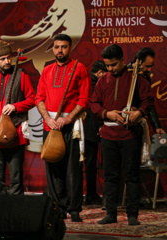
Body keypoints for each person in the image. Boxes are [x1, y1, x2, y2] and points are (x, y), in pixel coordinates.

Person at [90, 44, 153, 225]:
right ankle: (111, 213)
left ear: (123, 60)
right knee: (110, 175)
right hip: (108, 134)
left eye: (114, 65)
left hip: (129, 134)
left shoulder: (136, 78)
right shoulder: (103, 80)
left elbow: (148, 100)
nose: (110, 69)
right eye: (107, 65)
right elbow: (94, 103)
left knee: (132, 175)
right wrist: (106, 114)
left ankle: (133, 215)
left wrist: (138, 112)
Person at [35, 34, 91, 222]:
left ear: (70, 48)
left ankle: (74, 209)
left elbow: (84, 100)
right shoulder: (47, 70)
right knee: (52, 167)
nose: (60, 50)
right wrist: (47, 119)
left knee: (72, 169)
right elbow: (39, 98)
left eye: (64, 47)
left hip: (70, 126)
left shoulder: (79, 68)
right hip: (49, 125)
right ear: (52, 48)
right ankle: (58, 206)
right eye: (57, 47)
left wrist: (67, 120)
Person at [0, 40, 36, 195]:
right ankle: (0, 210)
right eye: (2, 59)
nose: (7, 61)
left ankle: (16, 210)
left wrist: (16, 106)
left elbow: (32, 99)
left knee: (16, 177)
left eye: (8, 57)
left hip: (15, 129)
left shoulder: (21, 74)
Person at [128, 47, 165, 137]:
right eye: (147, 66)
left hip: (137, 123)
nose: (149, 70)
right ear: (138, 62)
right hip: (121, 123)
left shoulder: (145, 76)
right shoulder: (125, 74)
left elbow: (148, 102)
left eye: (150, 66)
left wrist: (156, 126)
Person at [84, 60, 107, 205]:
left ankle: (91, 193)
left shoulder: (86, 81)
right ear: (99, 73)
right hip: (92, 127)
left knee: (90, 162)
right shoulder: (95, 84)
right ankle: (91, 194)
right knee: (91, 162)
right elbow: (94, 108)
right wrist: (100, 124)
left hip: (87, 127)